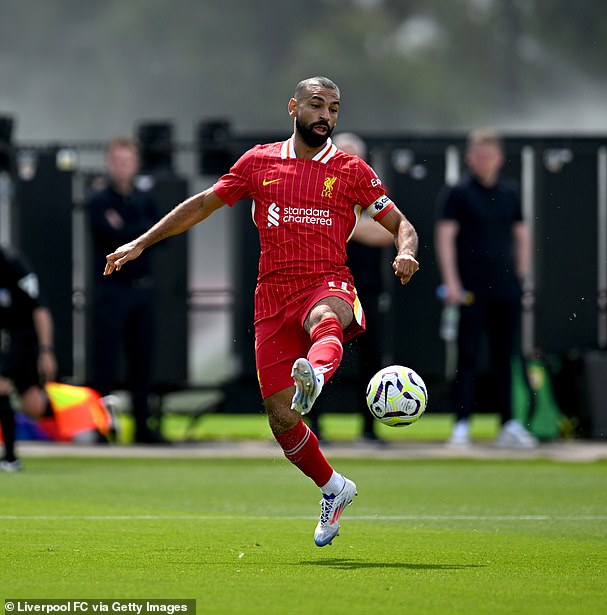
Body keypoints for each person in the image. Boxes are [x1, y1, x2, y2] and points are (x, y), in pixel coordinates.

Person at [104, 77, 419, 546]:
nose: (326, 116)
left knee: (326, 320)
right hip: (271, 296)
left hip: (327, 281)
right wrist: (142, 241)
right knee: (279, 417)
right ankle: (334, 487)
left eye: (334, 109)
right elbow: (203, 205)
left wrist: (406, 251)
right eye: (317, 105)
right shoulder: (259, 161)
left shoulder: (352, 169)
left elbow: (401, 223)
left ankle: (313, 373)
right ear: (293, 107)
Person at [434, 127, 537, 449]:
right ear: (469, 157)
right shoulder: (458, 192)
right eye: (478, 154)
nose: (483, 160)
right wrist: (452, 282)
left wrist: (521, 276)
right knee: (467, 355)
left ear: (500, 158)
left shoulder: (510, 192)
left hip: (505, 288)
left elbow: (521, 235)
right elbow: (445, 238)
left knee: (505, 356)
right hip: (470, 288)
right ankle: (461, 424)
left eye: (489, 154)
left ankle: (508, 422)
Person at [309, 132, 394, 444]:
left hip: (366, 289)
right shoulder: (317, 190)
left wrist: (344, 222)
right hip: (325, 290)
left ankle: (369, 430)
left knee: (371, 361)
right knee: (322, 357)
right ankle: (315, 426)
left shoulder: (372, 193)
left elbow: (389, 233)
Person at [87, 137, 165, 444]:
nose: (122, 167)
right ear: (109, 164)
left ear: (136, 164)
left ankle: (143, 428)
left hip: (142, 291)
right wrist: (140, 233)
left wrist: (131, 231)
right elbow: (108, 234)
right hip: (112, 290)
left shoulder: (147, 199)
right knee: (105, 362)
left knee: (142, 360)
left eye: (127, 161)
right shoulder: (98, 200)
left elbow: (160, 234)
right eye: (117, 161)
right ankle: (101, 428)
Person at [0, 246, 58, 471]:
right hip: (5, 339)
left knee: (19, 398)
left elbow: (39, 308)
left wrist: (46, 350)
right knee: (17, 397)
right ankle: (11, 459)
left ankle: (11, 459)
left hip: (22, 339)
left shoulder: (12, 263)